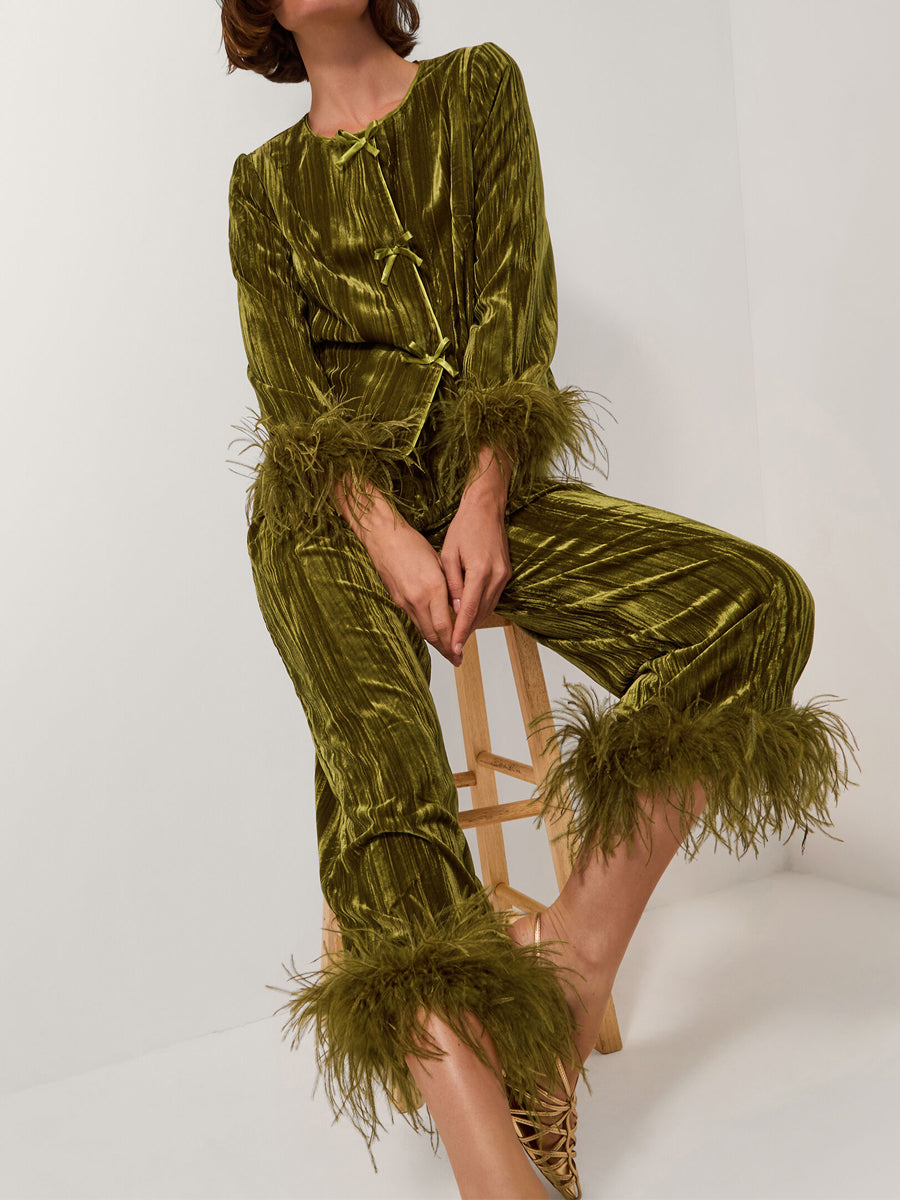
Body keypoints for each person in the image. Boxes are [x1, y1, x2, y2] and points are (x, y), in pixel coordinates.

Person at [219, 2, 861, 1197]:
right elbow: (292, 406)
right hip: (329, 521)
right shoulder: (261, 187)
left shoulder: (478, 90)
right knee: (382, 777)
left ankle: (568, 965)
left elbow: (512, 306)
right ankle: (494, 1166)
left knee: (758, 608)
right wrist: (387, 538)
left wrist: (481, 496)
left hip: (484, 494)